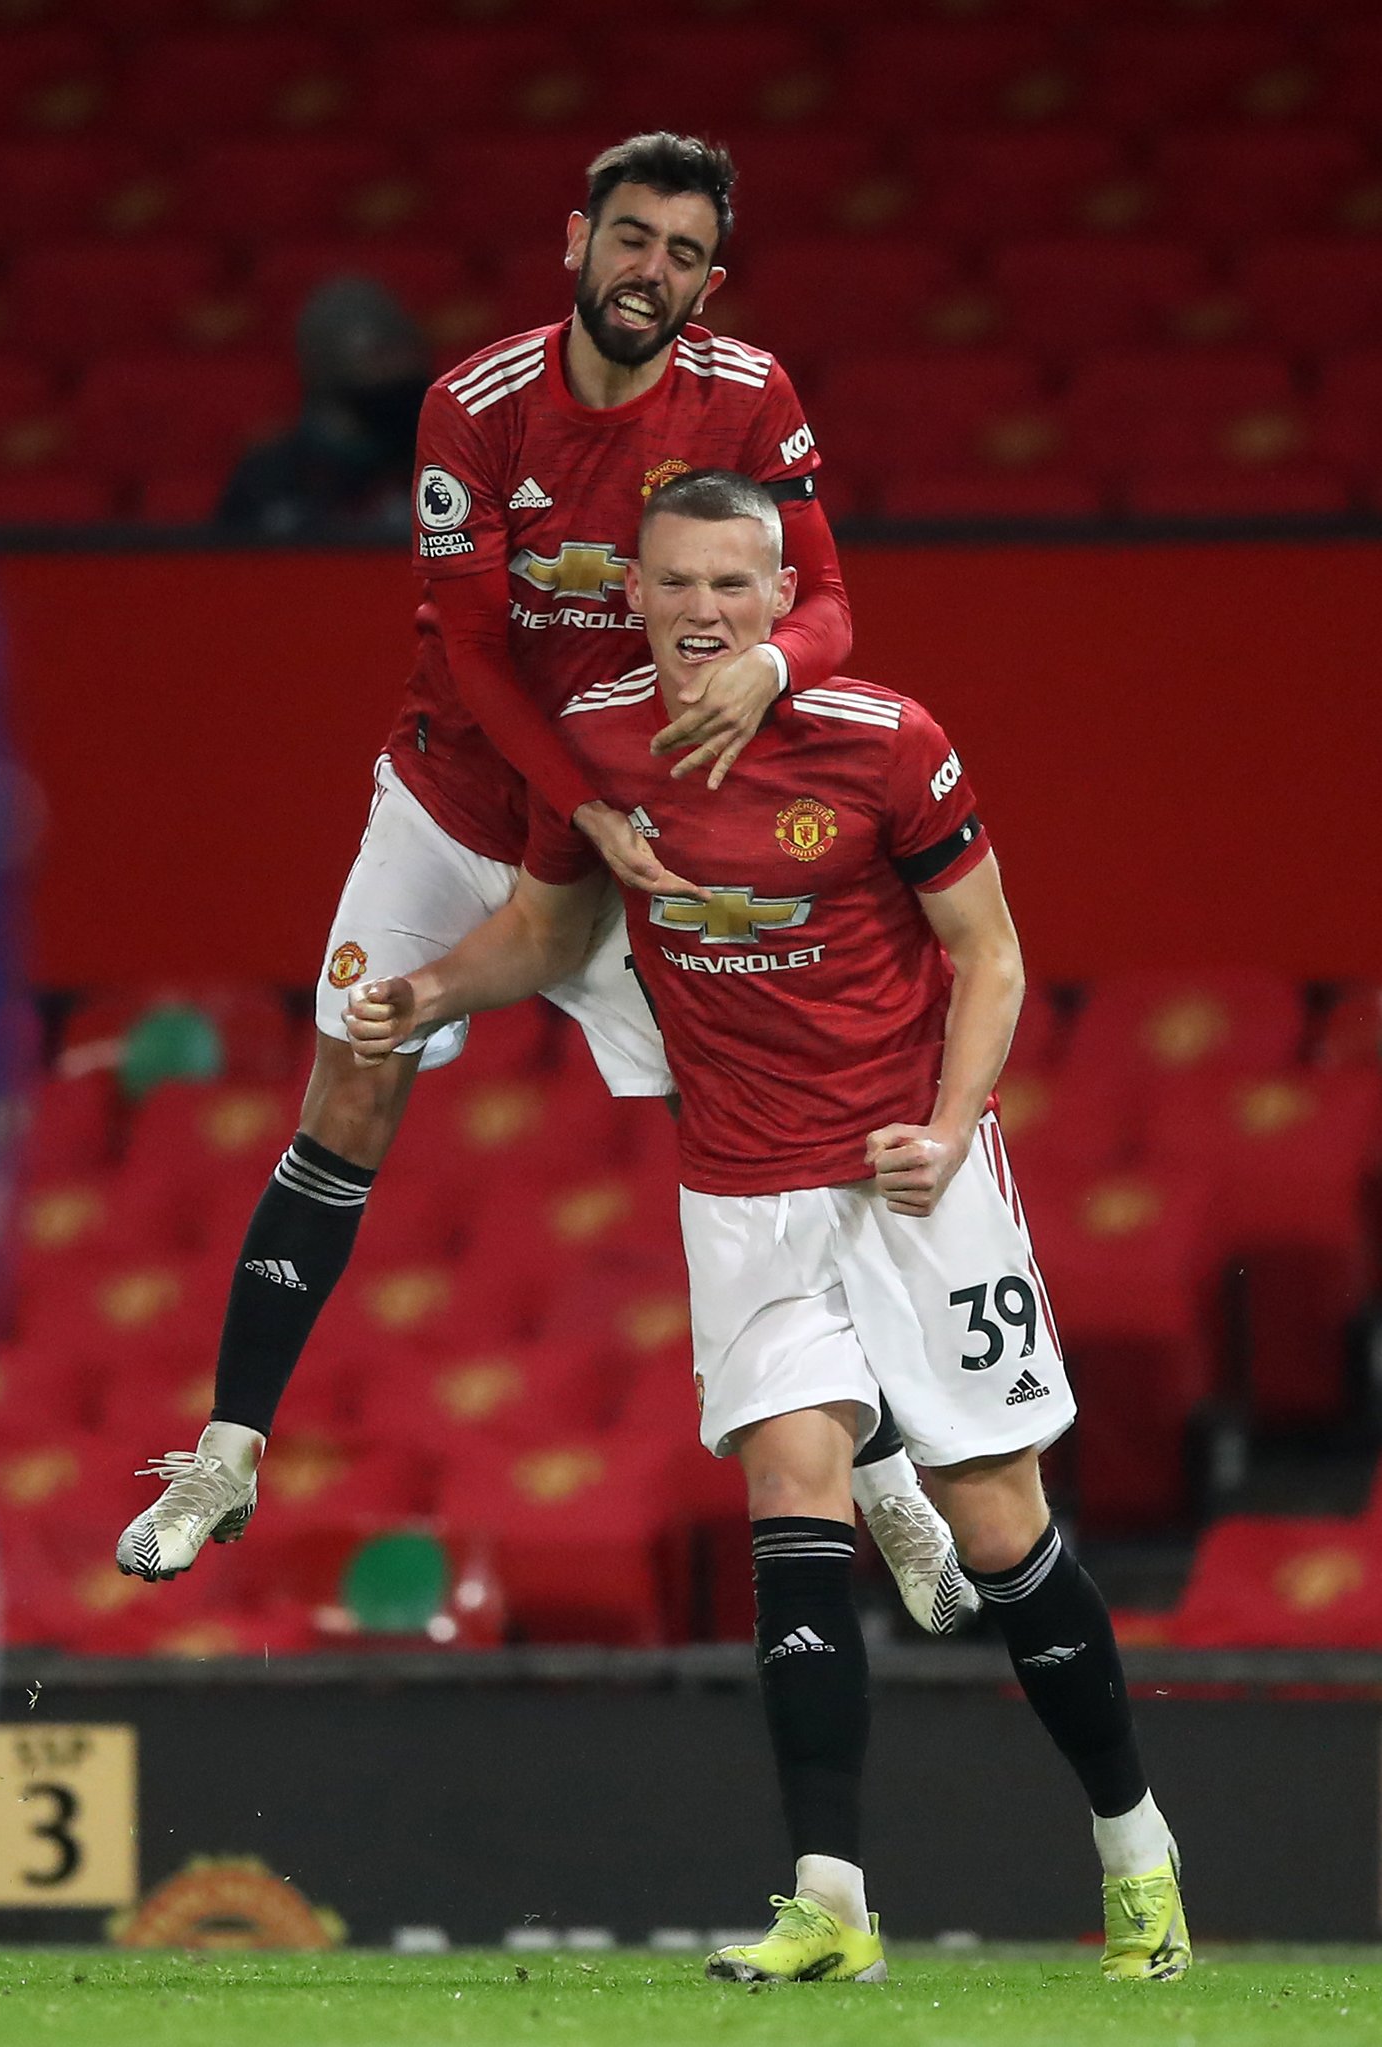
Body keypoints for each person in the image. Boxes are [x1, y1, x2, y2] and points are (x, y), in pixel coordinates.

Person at [117, 132, 976, 1636]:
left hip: (647, 822)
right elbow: (470, 648)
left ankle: (888, 1475)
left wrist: (770, 665)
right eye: (630, 238)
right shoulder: (476, 402)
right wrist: (578, 803)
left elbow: (826, 598)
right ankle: (226, 1455)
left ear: (710, 279)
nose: (652, 272)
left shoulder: (747, 392)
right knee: (350, 1082)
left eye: (684, 254)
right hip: (466, 803)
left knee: (765, 1125)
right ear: (576, 240)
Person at [343, 471, 1192, 1987]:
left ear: (780, 595)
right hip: (740, 1193)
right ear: (634, 592)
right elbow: (547, 930)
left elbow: (990, 952)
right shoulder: (595, 742)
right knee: (791, 1502)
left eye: (731, 583)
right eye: (672, 582)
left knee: (998, 1527)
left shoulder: (884, 739)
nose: (699, 611)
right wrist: (424, 992)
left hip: (910, 1187)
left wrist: (949, 1127)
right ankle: (830, 1903)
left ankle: (1136, 1852)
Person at [215, 276, 431, 541]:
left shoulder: (438, 465)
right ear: (329, 367)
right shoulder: (268, 475)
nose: (400, 372)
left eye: (408, 354)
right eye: (380, 357)